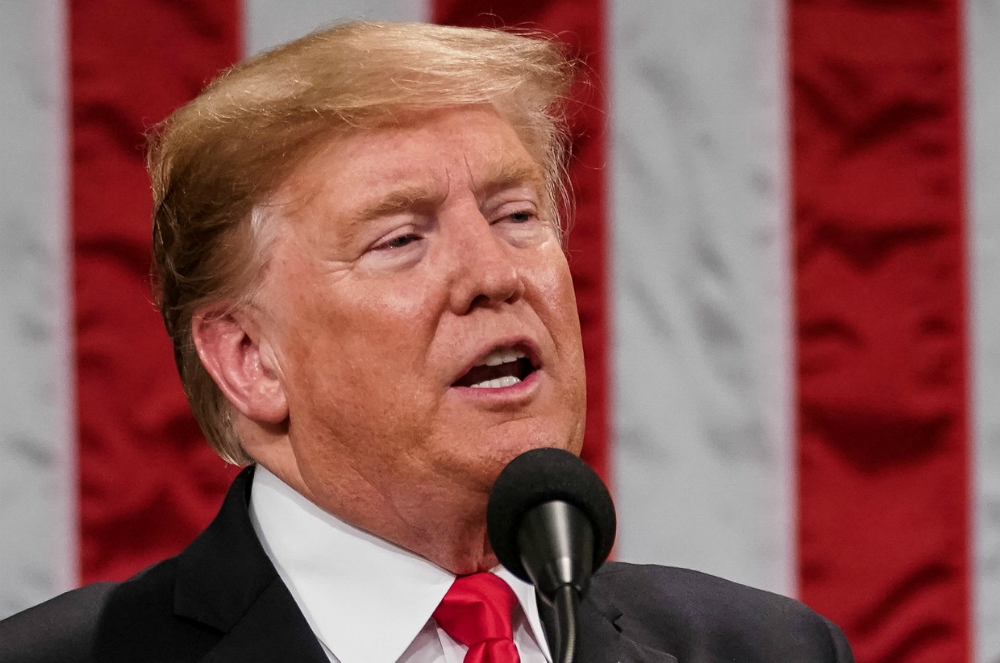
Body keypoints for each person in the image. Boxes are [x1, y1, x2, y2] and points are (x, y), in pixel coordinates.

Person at [0, 21, 854, 663]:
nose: (493, 273)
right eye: (401, 239)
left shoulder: (766, 648)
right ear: (250, 360)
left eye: (517, 216)